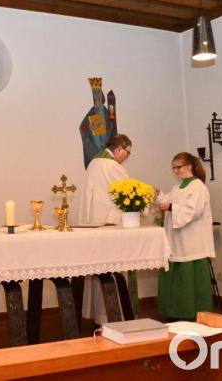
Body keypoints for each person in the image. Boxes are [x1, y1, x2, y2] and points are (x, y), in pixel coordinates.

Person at [78, 134, 134, 325]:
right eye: (127, 152)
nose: (127, 156)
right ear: (118, 148)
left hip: (94, 225)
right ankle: (113, 315)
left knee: (97, 271)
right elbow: (128, 194)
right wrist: (144, 202)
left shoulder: (93, 164)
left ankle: (98, 315)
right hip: (110, 227)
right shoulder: (112, 167)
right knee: (113, 270)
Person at [155, 152, 216, 321]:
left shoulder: (198, 186)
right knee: (176, 277)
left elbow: (193, 210)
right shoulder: (178, 187)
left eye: (179, 167)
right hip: (177, 239)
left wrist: (171, 207)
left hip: (192, 241)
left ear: (189, 166)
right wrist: (159, 195)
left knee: (190, 278)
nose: (176, 171)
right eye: (174, 168)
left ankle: (193, 313)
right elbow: (168, 201)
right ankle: (174, 312)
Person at [78, 77, 115, 169]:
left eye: (98, 94)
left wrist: (108, 127)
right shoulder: (92, 111)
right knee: (97, 163)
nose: (97, 97)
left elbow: (112, 126)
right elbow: (82, 127)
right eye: (95, 95)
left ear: (102, 96)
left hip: (106, 141)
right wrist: (91, 127)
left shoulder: (106, 111)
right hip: (95, 144)